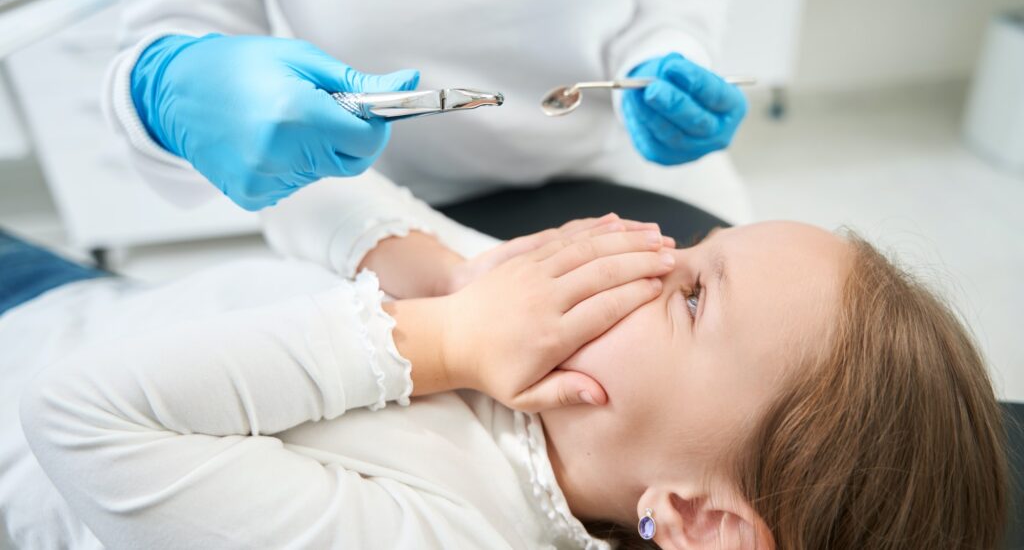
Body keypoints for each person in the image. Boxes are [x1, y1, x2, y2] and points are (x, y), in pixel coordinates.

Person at [9, 175, 1008, 549]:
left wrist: (438, 338)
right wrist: (438, 268)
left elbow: (78, 415)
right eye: (690, 244)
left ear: (702, 521)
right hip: (74, 297)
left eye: (693, 293)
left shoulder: (447, 529)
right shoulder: (534, 334)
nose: (647, 252)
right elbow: (294, 191)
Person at [106, 0, 752, 223]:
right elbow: (182, 13)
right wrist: (171, 86)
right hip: (373, 201)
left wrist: (665, 52)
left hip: (625, 167)